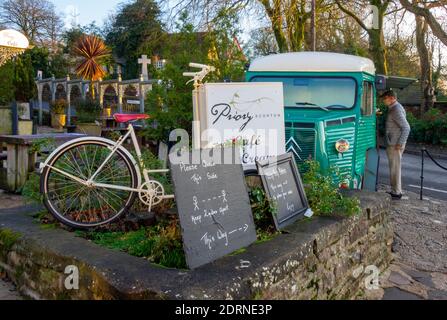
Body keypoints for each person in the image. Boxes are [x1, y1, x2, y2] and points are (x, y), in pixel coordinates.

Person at [381, 90, 411, 200]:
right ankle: (395, 190)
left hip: (395, 144)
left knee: (395, 168)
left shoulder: (396, 109)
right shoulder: (394, 108)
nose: (384, 101)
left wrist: (400, 143)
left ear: (391, 98)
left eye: (385, 98)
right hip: (394, 142)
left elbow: (406, 128)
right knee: (394, 168)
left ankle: (397, 192)